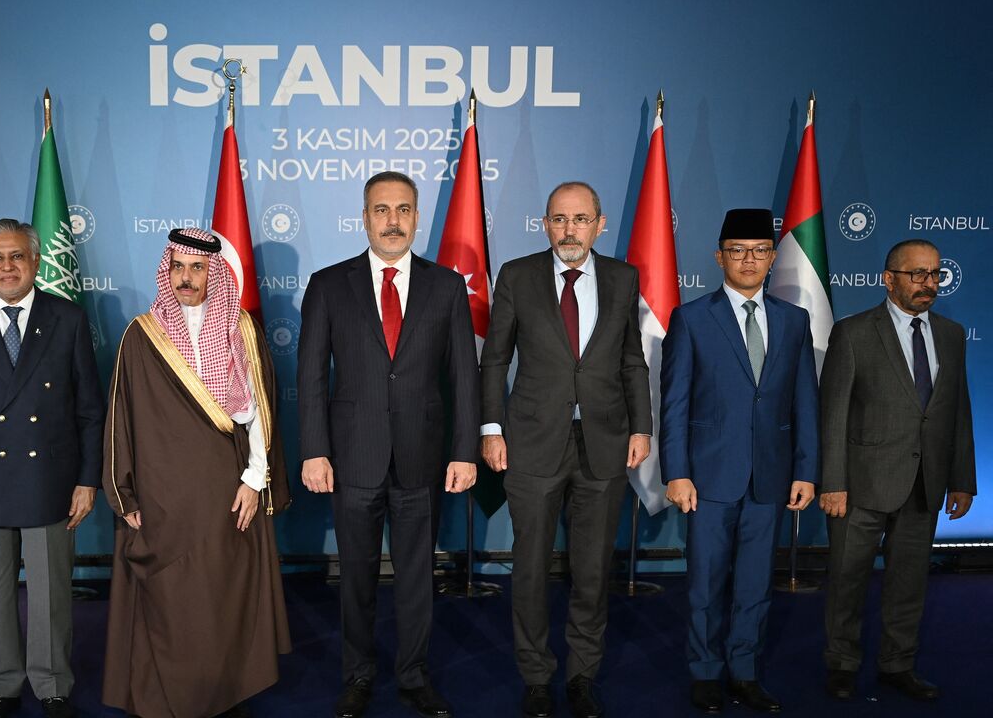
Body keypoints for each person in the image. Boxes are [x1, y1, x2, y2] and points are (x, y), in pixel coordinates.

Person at [297, 171, 479, 718]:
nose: (393, 220)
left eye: (403, 209)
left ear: (417, 217)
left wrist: (465, 450)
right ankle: (357, 675)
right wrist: (313, 449)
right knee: (354, 575)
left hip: (422, 457)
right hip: (352, 455)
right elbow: (310, 378)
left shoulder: (446, 285)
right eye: (381, 210)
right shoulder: (329, 284)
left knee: (417, 575)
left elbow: (464, 378)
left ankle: (413, 675)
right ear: (365, 217)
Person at [100, 228, 291, 718]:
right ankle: (164, 697)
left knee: (219, 599)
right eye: (178, 268)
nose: (186, 278)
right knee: (170, 600)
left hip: (225, 494)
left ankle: (223, 691)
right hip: (161, 497)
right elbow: (121, 420)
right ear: (167, 271)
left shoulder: (241, 328)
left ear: (215, 274)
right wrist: (125, 496)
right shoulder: (142, 336)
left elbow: (259, 413)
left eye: (198, 268)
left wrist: (254, 480)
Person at [480, 181, 652, 718]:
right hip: (531, 443)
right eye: (559, 219)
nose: (569, 230)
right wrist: (491, 428)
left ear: (600, 224)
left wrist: (642, 428)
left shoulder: (623, 277)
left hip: (605, 443)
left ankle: (582, 676)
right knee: (529, 568)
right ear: (545, 223)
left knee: (593, 569)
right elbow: (494, 359)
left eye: (580, 219)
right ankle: (536, 677)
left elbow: (631, 360)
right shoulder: (517, 275)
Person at [0, 218, 105, 718]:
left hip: (51, 478)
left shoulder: (67, 318)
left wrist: (87, 479)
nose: (7, 267)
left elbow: (89, 411)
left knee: (52, 591)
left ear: (35, 261)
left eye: (17, 257)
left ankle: (52, 685)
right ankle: (1, 685)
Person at [660, 208, 819, 713]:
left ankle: (744, 672)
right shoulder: (691, 317)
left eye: (758, 251)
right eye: (737, 251)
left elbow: (804, 401)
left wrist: (806, 469)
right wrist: (677, 471)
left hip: (770, 478)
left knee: (755, 584)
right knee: (706, 583)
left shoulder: (794, 320)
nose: (748, 260)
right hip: (707, 477)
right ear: (719, 257)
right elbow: (675, 403)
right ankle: (705, 673)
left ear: (772, 257)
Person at [820, 239, 976, 702]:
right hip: (861, 486)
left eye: (934, 274)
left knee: (909, 583)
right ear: (889, 279)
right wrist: (833, 482)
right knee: (847, 582)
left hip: (924, 484)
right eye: (917, 274)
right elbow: (833, 414)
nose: (928, 284)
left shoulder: (950, 333)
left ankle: (897, 664)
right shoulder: (853, 332)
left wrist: (962, 478)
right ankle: (843, 664)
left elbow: (958, 411)